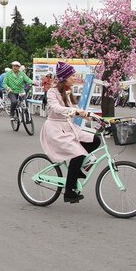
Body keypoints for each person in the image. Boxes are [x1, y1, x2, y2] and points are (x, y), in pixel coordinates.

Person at [40, 62, 100, 203]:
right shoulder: (52, 92)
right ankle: (69, 192)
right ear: (65, 77)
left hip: (69, 127)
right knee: (78, 155)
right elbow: (56, 108)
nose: (75, 77)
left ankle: (76, 167)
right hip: (55, 129)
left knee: (95, 140)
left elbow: (76, 110)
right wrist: (74, 111)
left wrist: (91, 116)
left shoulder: (68, 91)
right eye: (72, 75)